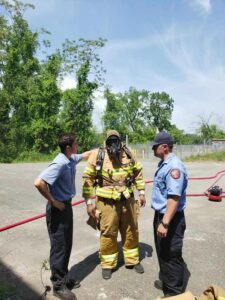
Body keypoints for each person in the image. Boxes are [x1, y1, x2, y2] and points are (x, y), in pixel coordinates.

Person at [82, 130, 146, 280]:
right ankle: (108, 265)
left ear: (120, 140)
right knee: (108, 232)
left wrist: (141, 193)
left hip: (127, 200)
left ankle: (132, 260)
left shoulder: (129, 153)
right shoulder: (97, 155)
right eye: (110, 141)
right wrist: (88, 202)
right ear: (106, 141)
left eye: (115, 140)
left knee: (131, 230)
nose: (113, 144)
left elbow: (138, 173)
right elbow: (87, 179)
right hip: (106, 203)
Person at [34, 133, 91, 300]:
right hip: (58, 209)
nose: (78, 146)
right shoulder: (60, 162)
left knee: (67, 243)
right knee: (59, 247)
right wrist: (53, 202)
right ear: (68, 147)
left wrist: (102, 148)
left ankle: (64, 277)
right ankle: (58, 286)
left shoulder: (70, 159)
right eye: (76, 144)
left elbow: (86, 154)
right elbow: (39, 182)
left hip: (66, 206)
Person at [151, 131, 188, 298]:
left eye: (155, 146)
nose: (152, 148)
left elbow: (174, 197)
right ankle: (167, 282)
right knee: (163, 253)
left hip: (170, 219)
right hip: (162, 215)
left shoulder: (174, 166)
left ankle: (174, 293)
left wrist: (165, 223)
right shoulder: (164, 163)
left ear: (164, 147)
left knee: (171, 256)